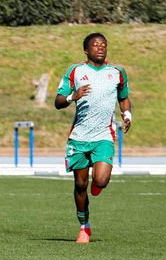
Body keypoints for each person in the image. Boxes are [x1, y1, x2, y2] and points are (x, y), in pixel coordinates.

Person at [54, 32, 133, 243]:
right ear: (86, 50)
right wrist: (74, 96)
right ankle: (84, 226)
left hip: (104, 136)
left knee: (100, 180)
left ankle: (98, 183)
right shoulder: (76, 71)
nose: (100, 48)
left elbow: (124, 98)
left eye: (104, 45)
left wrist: (127, 113)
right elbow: (58, 101)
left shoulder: (117, 72)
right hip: (79, 137)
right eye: (95, 45)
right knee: (80, 186)